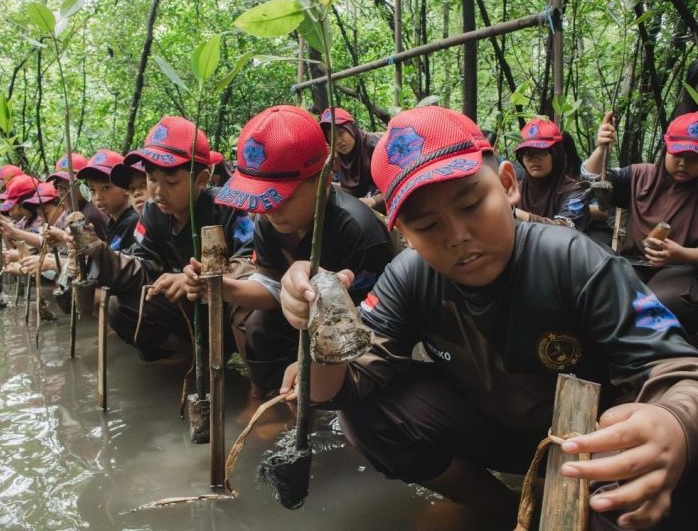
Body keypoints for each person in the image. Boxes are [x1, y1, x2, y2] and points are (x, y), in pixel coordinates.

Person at [280, 106, 698, 530]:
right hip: (499, 431)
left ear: (508, 186)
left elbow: (678, 369)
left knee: (643, 481)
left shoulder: (575, 260)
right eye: (427, 224)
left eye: (472, 204)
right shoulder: (409, 276)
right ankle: (507, 512)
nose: (458, 235)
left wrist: (674, 422)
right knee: (367, 415)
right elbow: (339, 389)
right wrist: (318, 325)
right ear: (403, 234)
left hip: (589, 443)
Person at [183, 105, 393, 393]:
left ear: (323, 179)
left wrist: (311, 364)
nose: (270, 210)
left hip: (350, 331)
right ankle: (274, 398)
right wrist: (222, 289)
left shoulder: (358, 229)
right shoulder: (269, 221)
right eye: (263, 200)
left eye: (282, 198)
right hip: (300, 319)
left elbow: (374, 321)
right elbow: (270, 286)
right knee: (258, 325)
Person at [82, 116, 254, 361]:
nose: (158, 192)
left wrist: (196, 278)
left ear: (201, 180)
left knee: (251, 314)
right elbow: (143, 267)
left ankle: (254, 381)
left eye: (171, 181)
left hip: (226, 306)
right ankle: (197, 356)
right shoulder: (152, 213)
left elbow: (250, 264)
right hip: (186, 310)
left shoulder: (227, 207)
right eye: (152, 179)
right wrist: (100, 254)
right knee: (121, 307)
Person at [583, 111, 698, 339]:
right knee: (603, 291)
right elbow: (594, 183)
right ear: (666, 148)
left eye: (693, 158)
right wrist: (601, 148)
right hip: (631, 263)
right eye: (677, 154)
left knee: (657, 303)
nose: (683, 163)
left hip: (682, 271)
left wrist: (681, 254)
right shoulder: (640, 176)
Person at [513, 118, 590, 231]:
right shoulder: (516, 191)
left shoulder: (574, 192)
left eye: (541, 152)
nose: (534, 159)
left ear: (556, 154)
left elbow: (567, 229)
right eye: (527, 153)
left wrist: (521, 215)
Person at [319, 107, 384, 210]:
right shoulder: (341, 158)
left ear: (351, 128)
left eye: (341, 134)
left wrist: (374, 200)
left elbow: (398, 185)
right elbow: (350, 190)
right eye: (332, 139)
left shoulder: (375, 147)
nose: (338, 141)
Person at [77, 149, 138, 252]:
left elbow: (117, 264)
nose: (98, 197)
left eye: (105, 188)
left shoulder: (132, 223)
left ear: (126, 188)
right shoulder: (115, 222)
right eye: (92, 190)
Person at [47, 152, 109, 242]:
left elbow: (92, 252)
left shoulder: (92, 214)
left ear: (84, 184)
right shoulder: (69, 211)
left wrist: (63, 237)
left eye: (68, 186)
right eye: (59, 187)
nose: (63, 192)